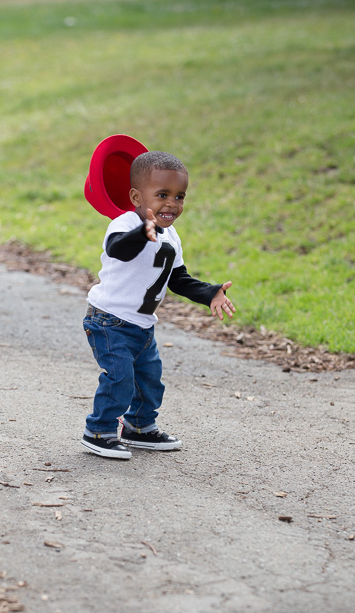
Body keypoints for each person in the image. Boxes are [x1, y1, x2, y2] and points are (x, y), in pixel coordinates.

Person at [81, 150, 236, 459]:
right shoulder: (123, 225)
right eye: (162, 194)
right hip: (110, 321)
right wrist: (142, 232)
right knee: (120, 378)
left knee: (150, 381)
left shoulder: (172, 236)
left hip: (142, 326)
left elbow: (177, 278)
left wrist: (209, 293)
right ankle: (98, 430)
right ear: (137, 196)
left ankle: (139, 427)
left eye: (180, 196)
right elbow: (118, 251)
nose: (172, 203)